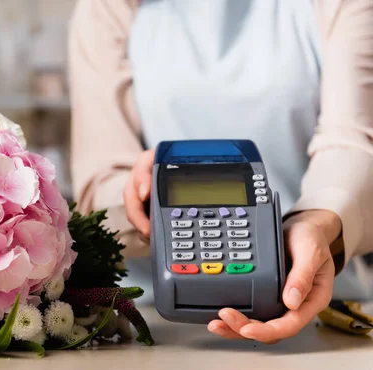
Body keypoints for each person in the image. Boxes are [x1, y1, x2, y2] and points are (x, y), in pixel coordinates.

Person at [68, 0, 373, 344]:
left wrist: (315, 222)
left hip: (314, 301)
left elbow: (353, 142)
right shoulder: (107, 7)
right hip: (147, 324)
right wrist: (149, 198)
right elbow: (102, 178)